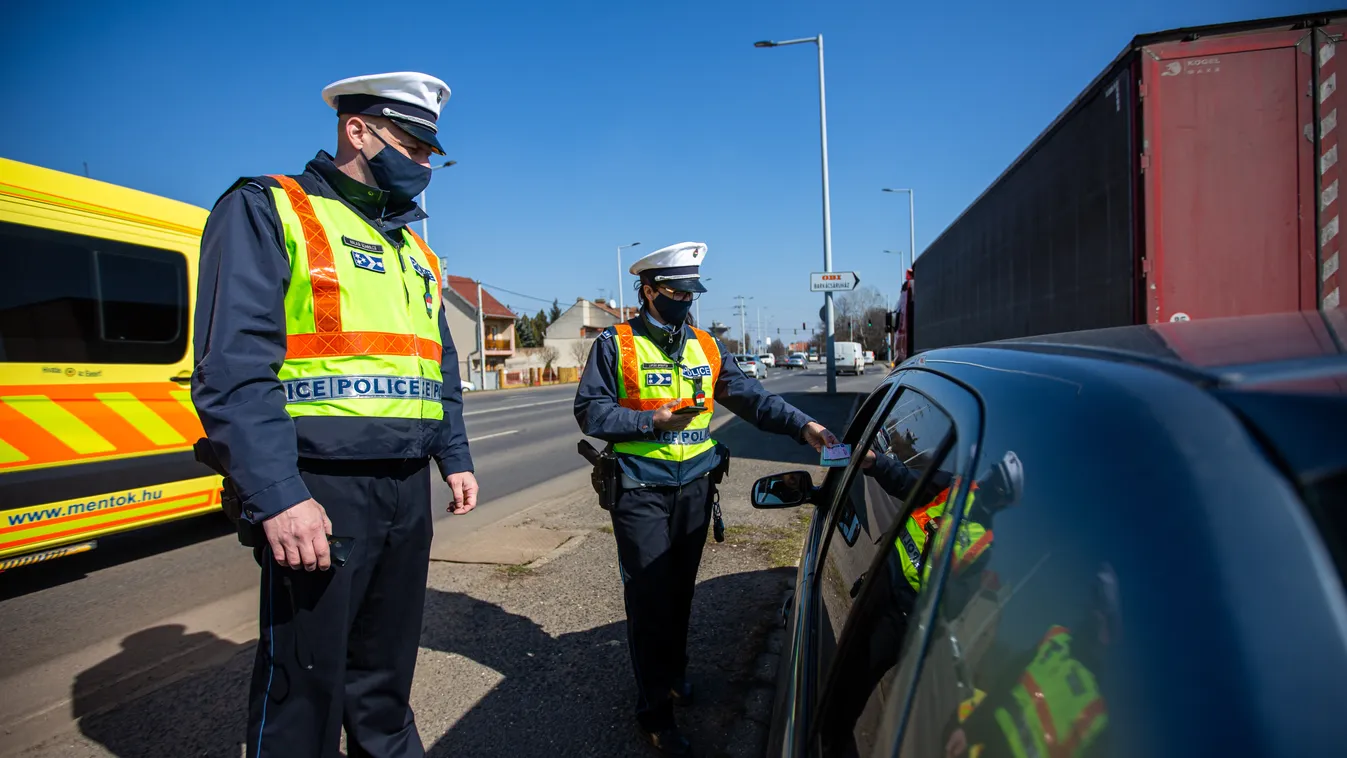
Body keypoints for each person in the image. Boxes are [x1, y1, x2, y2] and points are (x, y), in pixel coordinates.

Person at [190, 71, 478, 758]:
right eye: (413, 147)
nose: (424, 167)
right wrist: (279, 495)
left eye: (431, 155)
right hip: (320, 490)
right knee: (304, 694)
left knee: (383, 686)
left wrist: (454, 455)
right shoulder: (269, 208)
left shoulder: (415, 250)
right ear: (358, 130)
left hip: (405, 491)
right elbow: (232, 370)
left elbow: (435, 365)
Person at [574, 241, 840, 755]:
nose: (686, 301)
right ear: (649, 292)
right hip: (641, 492)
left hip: (695, 487)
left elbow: (753, 398)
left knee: (680, 593)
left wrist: (803, 426)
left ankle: (672, 674)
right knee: (649, 602)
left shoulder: (707, 346)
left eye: (691, 292)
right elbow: (591, 412)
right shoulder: (615, 345)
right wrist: (650, 420)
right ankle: (654, 715)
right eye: (676, 291)